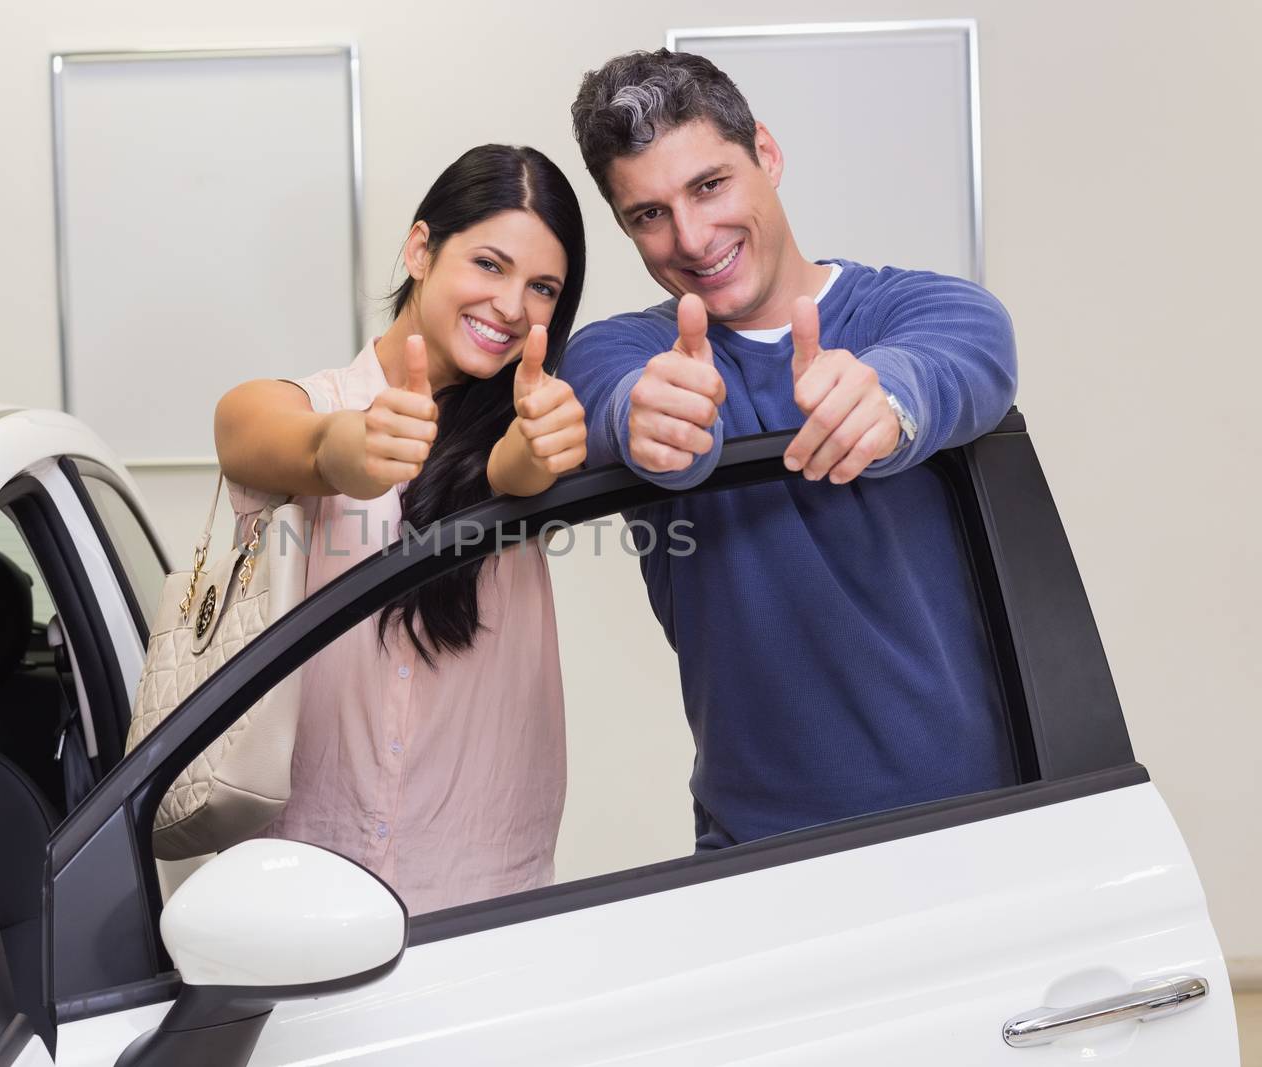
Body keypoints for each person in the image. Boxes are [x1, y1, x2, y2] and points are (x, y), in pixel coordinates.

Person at [561, 50, 1020, 850]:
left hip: (973, 823)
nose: (693, 238)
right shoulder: (625, 355)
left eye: (710, 186)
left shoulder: (916, 311)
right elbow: (608, 402)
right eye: (650, 214)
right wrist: (650, 420)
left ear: (766, 154)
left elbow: (972, 352)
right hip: (754, 848)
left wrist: (890, 398)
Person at [214, 144, 588, 912]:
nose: (514, 306)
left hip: (478, 885)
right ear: (421, 249)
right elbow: (261, 434)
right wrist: (344, 449)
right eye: (489, 264)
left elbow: (520, 473)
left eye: (542, 287)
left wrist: (523, 459)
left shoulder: (541, 422)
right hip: (304, 879)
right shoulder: (298, 402)